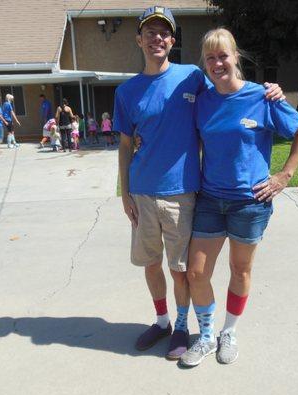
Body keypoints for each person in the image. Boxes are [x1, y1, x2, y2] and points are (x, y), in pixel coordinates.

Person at [114, 6, 284, 361]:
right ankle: (160, 321)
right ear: (139, 40)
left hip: (182, 191)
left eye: (163, 33)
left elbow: (228, 89)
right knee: (150, 263)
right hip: (141, 192)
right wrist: (125, 191)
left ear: (172, 41)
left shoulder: (192, 76)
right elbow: (126, 145)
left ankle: (181, 326)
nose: (156, 38)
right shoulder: (127, 91)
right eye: (150, 32)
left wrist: (268, 91)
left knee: (181, 270)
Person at [179, 28, 298, 368]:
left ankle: (229, 332)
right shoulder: (203, 99)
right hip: (210, 199)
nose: (216, 63)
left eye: (222, 55)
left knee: (240, 270)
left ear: (236, 57)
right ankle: (207, 335)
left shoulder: (263, 97)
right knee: (196, 272)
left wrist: (284, 176)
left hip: (250, 203)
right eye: (210, 58)